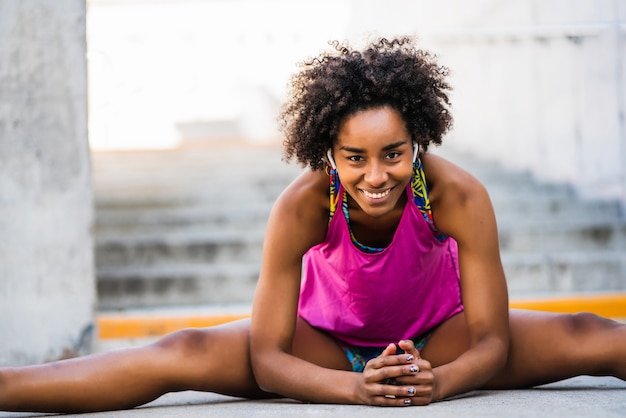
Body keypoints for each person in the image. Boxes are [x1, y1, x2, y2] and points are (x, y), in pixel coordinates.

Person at [1, 36, 625, 413]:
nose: (376, 176)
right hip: (324, 350)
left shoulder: (457, 194)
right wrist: (353, 391)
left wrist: (439, 383)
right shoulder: (302, 205)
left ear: (419, 139)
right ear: (328, 151)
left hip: (439, 343)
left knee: (586, 333)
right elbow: (269, 358)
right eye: (354, 157)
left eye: (394, 153)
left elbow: (490, 340)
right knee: (183, 350)